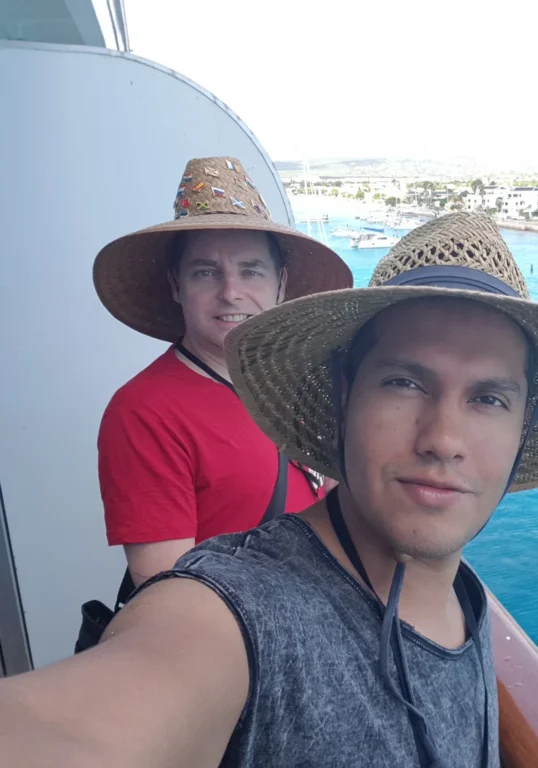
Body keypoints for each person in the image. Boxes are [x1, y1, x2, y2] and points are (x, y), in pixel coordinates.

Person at [0, 213, 538, 767]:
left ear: (527, 425)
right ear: (346, 394)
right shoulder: (241, 613)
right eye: (404, 382)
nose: (443, 438)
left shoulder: (460, 599)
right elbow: (110, 707)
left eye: (488, 398)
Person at [92, 156, 352, 587]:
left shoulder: (301, 384)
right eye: (206, 272)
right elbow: (167, 595)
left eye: (250, 271)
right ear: (177, 285)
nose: (231, 293)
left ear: (280, 283)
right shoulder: (144, 411)